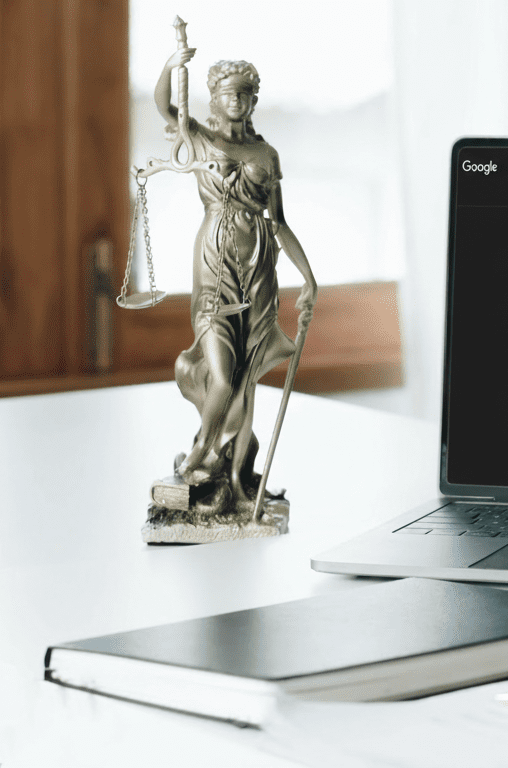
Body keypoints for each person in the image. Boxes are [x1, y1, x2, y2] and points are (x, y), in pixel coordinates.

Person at [155, 46, 317, 509]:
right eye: (229, 93)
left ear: (254, 100)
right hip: (214, 268)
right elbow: (165, 106)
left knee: (245, 381)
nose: (238, 100)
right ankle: (198, 460)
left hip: (260, 274)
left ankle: (234, 471)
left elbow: (280, 223)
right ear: (214, 97)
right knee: (222, 377)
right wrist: (170, 67)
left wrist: (309, 278)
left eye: (246, 93)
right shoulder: (203, 140)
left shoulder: (266, 153)